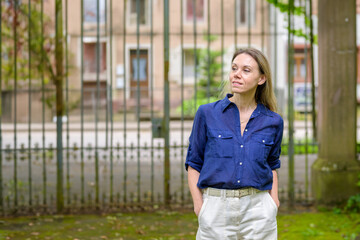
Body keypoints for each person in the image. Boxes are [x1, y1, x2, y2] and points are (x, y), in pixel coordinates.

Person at [185, 47, 284, 239]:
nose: (236, 75)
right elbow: (193, 163)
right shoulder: (207, 114)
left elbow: (272, 165)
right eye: (234, 68)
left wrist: (273, 202)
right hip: (215, 211)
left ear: (261, 78)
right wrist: (200, 207)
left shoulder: (273, 121)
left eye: (246, 70)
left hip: (259, 211)